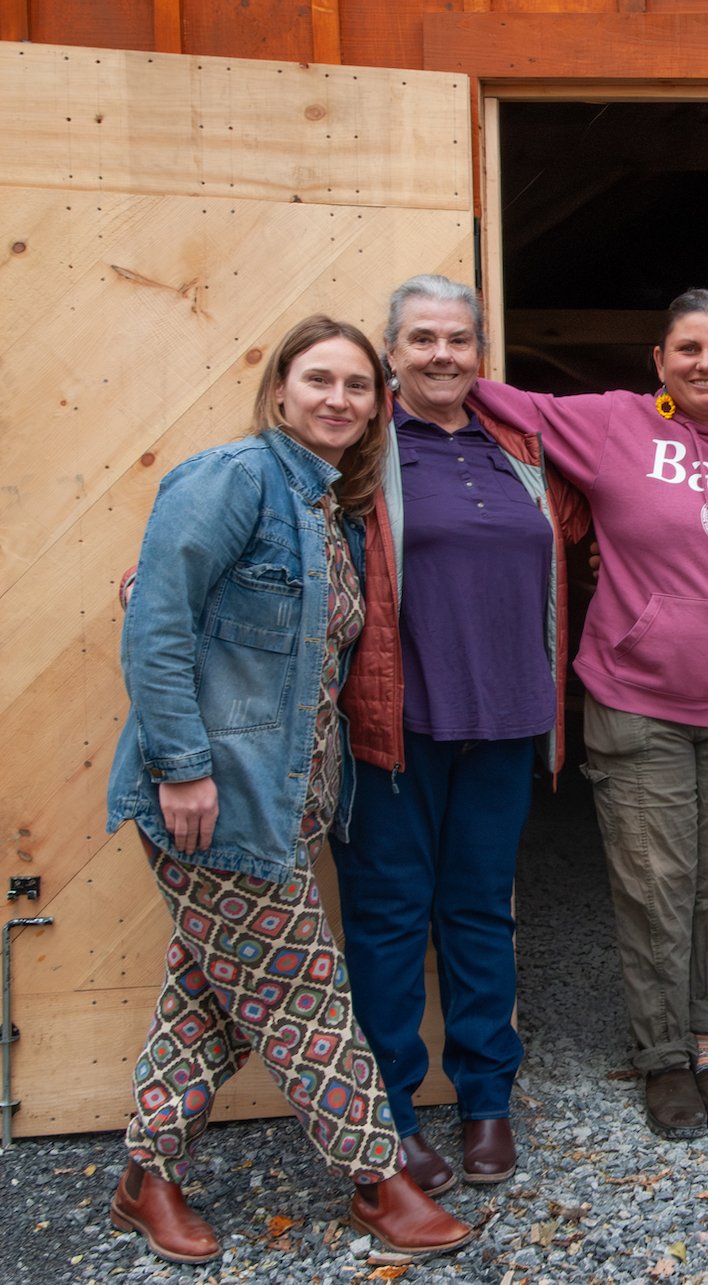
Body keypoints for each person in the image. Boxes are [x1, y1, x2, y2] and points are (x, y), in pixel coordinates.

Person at [103, 316, 473, 1263]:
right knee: (306, 993)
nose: (339, 399)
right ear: (280, 391)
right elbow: (158, 627)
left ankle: (147, 1178)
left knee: (213, 995)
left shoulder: (327, 507)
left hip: (283, 804)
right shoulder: (233, 478)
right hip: (212, 799)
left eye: (357, 385)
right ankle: (377, 1179)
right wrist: (181, 767)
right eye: (320, 380)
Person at [468, 290, 708, 1140]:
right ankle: (660, 1058)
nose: (706, 363)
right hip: (637, 698)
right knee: (655, 886)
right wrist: (408, 369)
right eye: (688, 347)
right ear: (659, 360)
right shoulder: (617, 425)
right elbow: (494, 397)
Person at [331, 275, 585, 1193]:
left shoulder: (521, 447)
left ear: (482, 353)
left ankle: (486, 1101)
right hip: (393, 727)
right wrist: (157, 566)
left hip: (507, 718)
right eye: (422, 338)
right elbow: (261, 517)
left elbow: (601, 524)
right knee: (391, 923)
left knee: (481, 915)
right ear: (390, 352)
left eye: (459, 339)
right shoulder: (359, 446)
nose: (443, 354)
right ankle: (392, 1116)